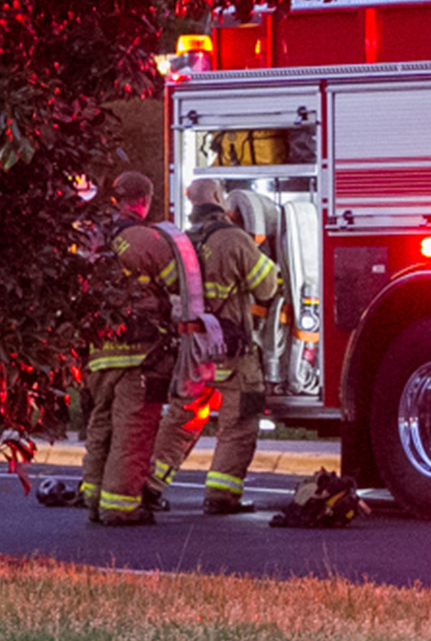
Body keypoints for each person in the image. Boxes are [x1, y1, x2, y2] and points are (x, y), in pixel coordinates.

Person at [147, 178, 281, 515]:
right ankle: (222, 494)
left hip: (192, 350)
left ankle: (149, 486)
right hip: (232, 352)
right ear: (220, 199)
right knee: (239, 420)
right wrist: (261, 251)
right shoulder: (234, 240)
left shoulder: (180, 243)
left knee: (181, 419)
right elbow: (267, 288)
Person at [79, 171, 177, 526]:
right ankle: (120, 506)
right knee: (133, 429)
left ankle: (93, 497)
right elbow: (177, 286)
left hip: (99, 353)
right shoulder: (149, 240)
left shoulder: (91, 239)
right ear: (144, 200)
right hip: (141, 354)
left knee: (100, 426)